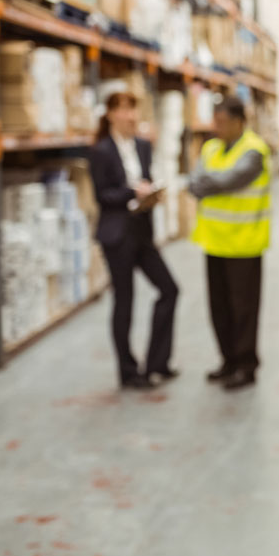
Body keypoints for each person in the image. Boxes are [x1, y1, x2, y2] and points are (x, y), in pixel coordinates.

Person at [89, 91, 180, 390]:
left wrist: (151, 194)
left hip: (142, 231)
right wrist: (132, 192)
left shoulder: (142, 146)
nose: (131, 116)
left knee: (169, 289)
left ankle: (158, 363)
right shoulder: (101, 151)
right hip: (117, 235)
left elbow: (145, 179)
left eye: (133, 110)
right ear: (111, 114)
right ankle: (128, 372)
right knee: (124, 302)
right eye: (124, 110)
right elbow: (103, 196)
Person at [189, 96, 272, 391]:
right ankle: (228, 361)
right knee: (219, 308)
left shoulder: (254, 151)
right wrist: (206, 182)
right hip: (214, 242)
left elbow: (230, 181)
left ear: (239, 122)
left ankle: (246, 366)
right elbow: (194, 181)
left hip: (244, 245)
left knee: (244, 310)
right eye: (215, 122)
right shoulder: (210, 147)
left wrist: (206, 183)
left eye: (222, 122)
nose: (217, 128)